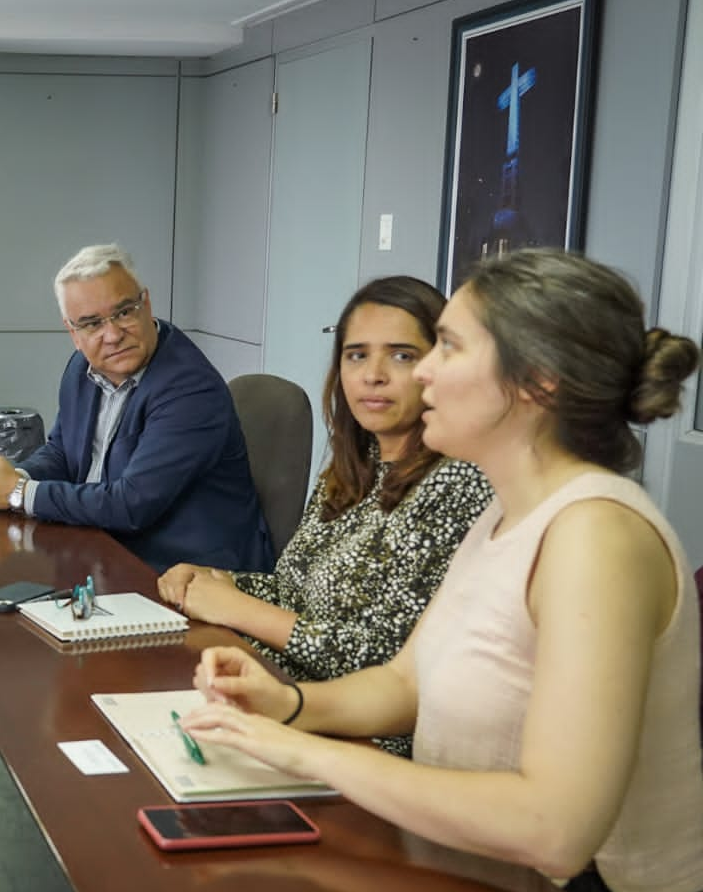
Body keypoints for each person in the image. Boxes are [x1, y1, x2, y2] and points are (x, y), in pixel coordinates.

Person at [179, 249, 703, 892]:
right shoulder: (504, 508)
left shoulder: (597, 537)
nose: (420, 373)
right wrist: (289, 703)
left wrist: (297, 750)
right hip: (491, 888)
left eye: (447, 347)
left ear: (537, 380)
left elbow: (554, 829)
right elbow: (404, 680)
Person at [157, 278, 493, 725]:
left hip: (351, 728)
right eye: (356, 355)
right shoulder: (356, 464)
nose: (373, 374)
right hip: (274, 688)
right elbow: (293, 590)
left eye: (401, 355)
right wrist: (219, 582)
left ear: (439, 366)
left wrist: (241, 609)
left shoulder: (458, 484)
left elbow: (388, 670)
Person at [0, 243, 272, 572]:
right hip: (103, 554)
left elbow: (132, 504)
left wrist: (18, 493)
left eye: (123, 313)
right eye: (91, 324)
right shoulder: (81, 368)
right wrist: (10, 479)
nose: (112, 335)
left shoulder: (190, 388)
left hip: (186, 574)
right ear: (73, 332)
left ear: (146, 304)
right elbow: (63, 452)